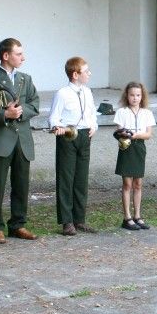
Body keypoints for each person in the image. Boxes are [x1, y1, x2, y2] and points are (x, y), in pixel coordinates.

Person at [0, 38, 40, 244]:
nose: (23, 57)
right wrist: (4, 115)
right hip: (0, 141)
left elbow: (35, 103)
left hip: (22, 140)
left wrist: (19, 113)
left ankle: (18, 224)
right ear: (6, 56)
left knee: (21, 184)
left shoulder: (25, 79)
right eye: (19, 54)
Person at [47, 56, 98, 235]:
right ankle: (67, 221)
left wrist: (94, 126)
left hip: (84, 135)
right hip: (68, 135)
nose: (89, 73)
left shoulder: (87, 92)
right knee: (66, 178)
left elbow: (91, 112)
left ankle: (79, 219)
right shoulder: (62, 93)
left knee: (81, 178)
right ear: (75, 74)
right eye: (86, 71)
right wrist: (57, 127)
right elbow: (54, 117)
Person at [114, 81, 156, 230]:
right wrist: (125, 134)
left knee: (138, 184)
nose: (135, 98)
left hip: (139, 148)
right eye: (132, 95)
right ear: (127, 96)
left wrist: (136, 134)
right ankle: (127, 217)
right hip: (126, 149)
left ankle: (138, 215)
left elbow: (148, 134)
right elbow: (119, 133)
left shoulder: (147, 113)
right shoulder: (122, 112)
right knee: (127, 184)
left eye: (138, 95)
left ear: (142, 96)